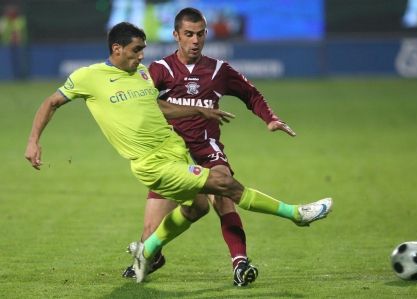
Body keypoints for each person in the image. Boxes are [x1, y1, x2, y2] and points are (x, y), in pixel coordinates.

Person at [25, 21, 333, 285]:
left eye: (143, 49)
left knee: (198, 208)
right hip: (152, 164)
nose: (142, 55)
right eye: (136, 50)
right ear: (117, 49)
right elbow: (50, 103)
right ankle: (296, 214)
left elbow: (159, 106)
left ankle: (148, 252)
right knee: (223, 185)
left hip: (174, 151)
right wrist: (33, 141)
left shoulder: (143, 74)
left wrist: (198, 110)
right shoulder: (87, 77)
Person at [121, 7, 297, 287]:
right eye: (189, 34)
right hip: (171, 157)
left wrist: (270, 118)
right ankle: (151, 257)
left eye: (200, 34)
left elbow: (251, 94)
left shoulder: (219, 70)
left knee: (224, 190)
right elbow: (143, 106)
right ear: (176, 35)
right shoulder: (160, 70)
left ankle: (240, 263)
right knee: (150, 231)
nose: (195, 41)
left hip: (207, 152)